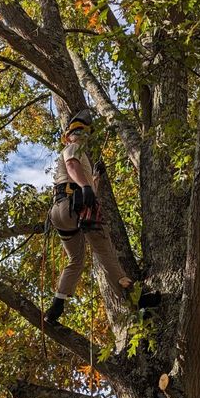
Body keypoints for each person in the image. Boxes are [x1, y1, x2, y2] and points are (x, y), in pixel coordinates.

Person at [43, 109, 137, 325]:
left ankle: (56, 307)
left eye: (85, 133)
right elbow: (72, 166)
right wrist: (86, 185)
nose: (81, 137)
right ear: (68, 136)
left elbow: (86, 184)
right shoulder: (72, 148)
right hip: (73, 206)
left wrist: (95, 178)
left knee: (76, 260)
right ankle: (132, 297)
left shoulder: (81, 155)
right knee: (104, 249)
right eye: (77, 132)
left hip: (61, 213)